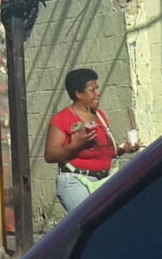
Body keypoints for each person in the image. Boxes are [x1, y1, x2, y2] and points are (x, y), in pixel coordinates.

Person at [46, 68, 140, 212]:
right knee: (90, 220)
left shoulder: (99, 116)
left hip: (103, 180)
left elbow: (103, 151)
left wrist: (123, 149)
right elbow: (50, 155)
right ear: (78, 94)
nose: (98, 93)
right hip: (76, 181)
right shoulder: (62, 119)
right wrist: (74, 145)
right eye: (92, 90)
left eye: (97, 88)